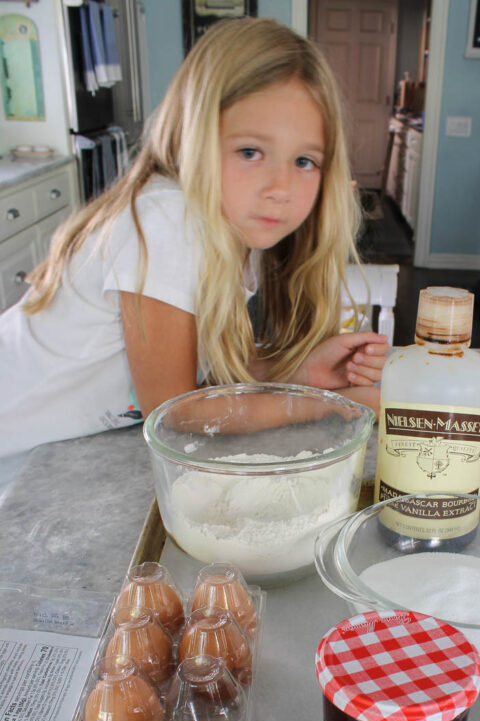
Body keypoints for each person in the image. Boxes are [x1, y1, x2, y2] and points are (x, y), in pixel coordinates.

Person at [0, 17, 389, 486]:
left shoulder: (236, 231)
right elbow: (177, 412)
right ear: (194, 134)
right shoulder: (168, 221)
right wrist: (334, 406)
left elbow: (197, 368)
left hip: (52, 457)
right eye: (250, 152)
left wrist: (301, 373)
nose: (280, 188)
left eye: (304, 161)